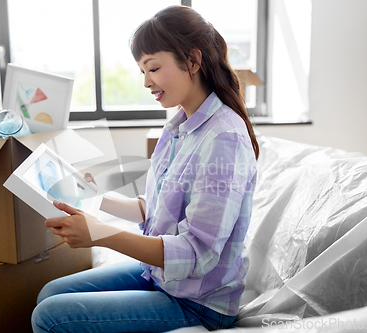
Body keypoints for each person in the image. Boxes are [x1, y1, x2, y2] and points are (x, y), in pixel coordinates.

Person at [32, 5, 259, 333]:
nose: (145, 82)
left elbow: (199, 254)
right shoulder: (177, 128)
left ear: (193, 61)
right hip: (161, 277)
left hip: (198, 301)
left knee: (49, 317)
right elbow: (153, 210)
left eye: (152, 68)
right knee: (50, 293)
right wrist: (93, 195)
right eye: (142, 71)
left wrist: (101, 234)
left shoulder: (224, 137)